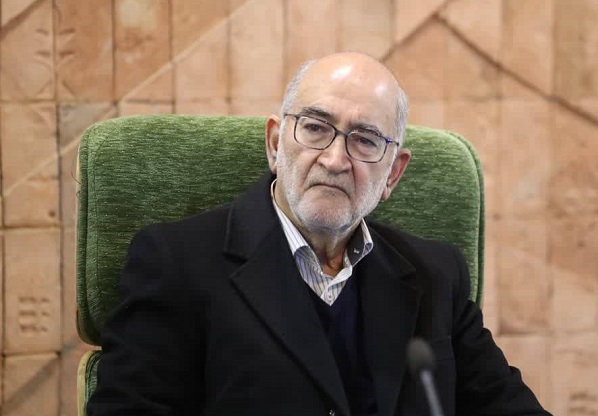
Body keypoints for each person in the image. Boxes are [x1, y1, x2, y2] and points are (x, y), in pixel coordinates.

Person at [87, 52, 551, 416]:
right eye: (314, 128)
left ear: (392, 174)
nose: (334, 159)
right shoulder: (176, 262)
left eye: (365, 139)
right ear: (275, 143)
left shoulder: (437, 275)